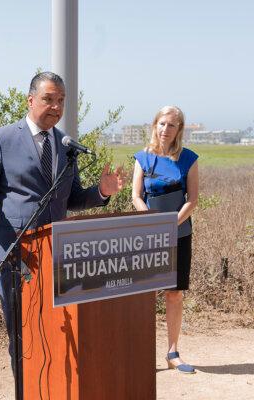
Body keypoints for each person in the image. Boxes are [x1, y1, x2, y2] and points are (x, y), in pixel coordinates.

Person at [0, 71, 125, 370]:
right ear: (31, 99)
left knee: (51, 331)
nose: (56, 107)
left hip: (54, 255)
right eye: (49, 99)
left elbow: (70, 198)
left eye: (61, 100)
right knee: (22, 336)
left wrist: (102, 191)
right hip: (15, 255)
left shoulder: (65, 144)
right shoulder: (2, 139)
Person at [132, 105, 198, 374]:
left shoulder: (189, 158)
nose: (165, 129)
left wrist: (170, 225)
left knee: (174, 294)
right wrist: (152, 224)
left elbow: (192, 199)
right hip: (148, 236)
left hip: (179, 233)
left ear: (178, 130)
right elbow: (136, 196)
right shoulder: (142, 158)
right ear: (154, 125)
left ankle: (172, 352)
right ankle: (142, 353)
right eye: (162, 123)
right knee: (144, 296)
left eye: (172, 125)